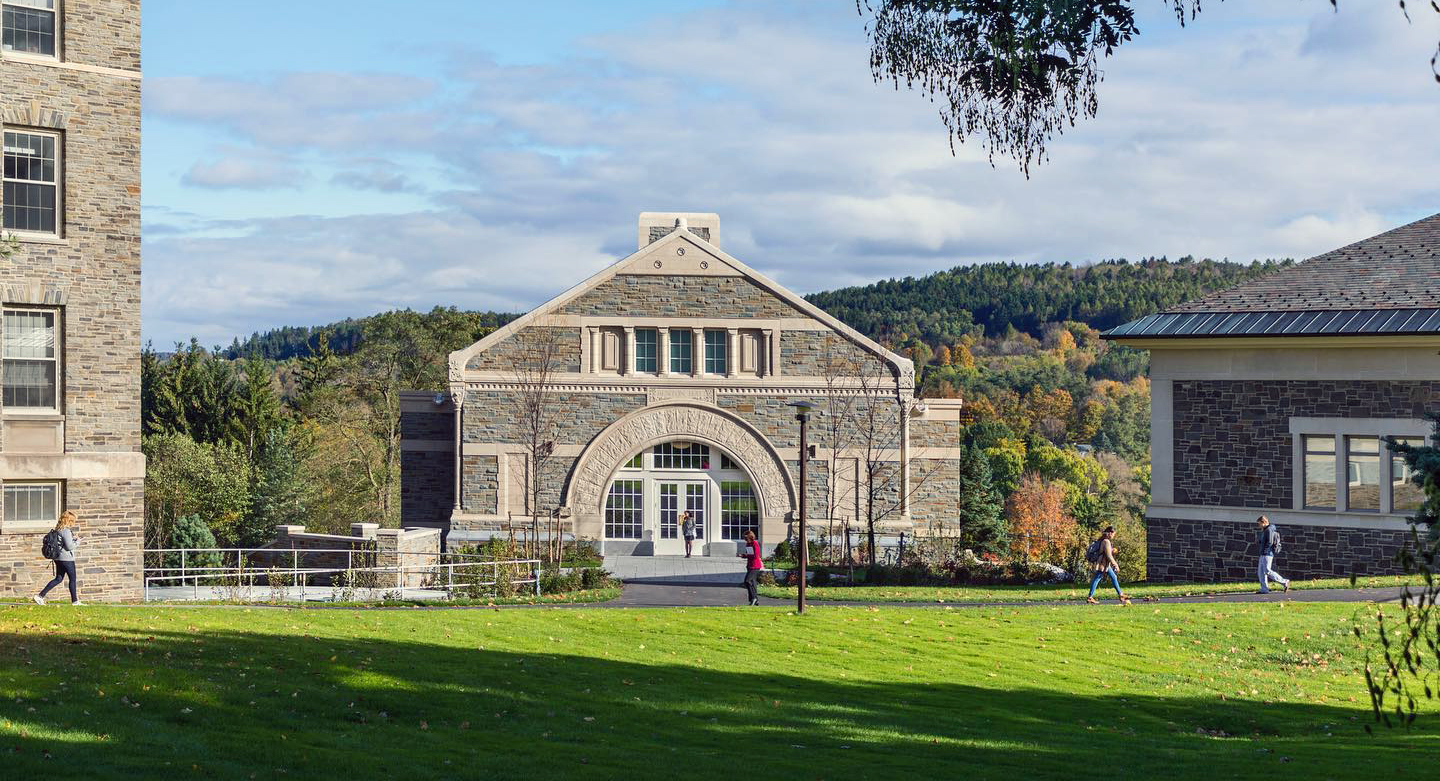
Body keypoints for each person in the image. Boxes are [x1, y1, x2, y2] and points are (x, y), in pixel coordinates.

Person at [35, 510, 83, 606]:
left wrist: (72, 539)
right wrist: (78, 541)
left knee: (58, 579)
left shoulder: (58, 529)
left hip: (58, 558)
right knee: (72, 579)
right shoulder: (66, 531)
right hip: (67, 559)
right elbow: (69, 547)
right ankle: (75, 601)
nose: (74, 523)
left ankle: (40, 596)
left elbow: (62, 542)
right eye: (73, 521)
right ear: (69, 521)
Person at [1085, 526, 1130, 605]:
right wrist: (1115, 565)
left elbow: (1106, 552)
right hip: (1102, 564)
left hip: (1105, 564)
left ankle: (1121, 595)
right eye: (1113, 534)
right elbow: (1108, 555)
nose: (1113, 536)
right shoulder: (1106, 541)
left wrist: (1113, 550)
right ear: (1109, 533)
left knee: (1113, 577)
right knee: (1097, 578)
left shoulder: (1103, 540)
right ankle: (1090, 597)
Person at [1256, 515, 1290, 594]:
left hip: (1267, 554)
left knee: (1267, 571)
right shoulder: (1265, 530)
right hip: (1263, 554)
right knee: (1261, 572)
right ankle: (1264, 589)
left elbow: (1270, 542)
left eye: (1259, 523)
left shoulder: (1269, 530)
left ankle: (1284, 582)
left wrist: (1265, 550)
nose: (1259, 525)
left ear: (1264, 522)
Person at [738, 529, 763, 606]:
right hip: (750, 565)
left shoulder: (755, 543)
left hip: (755, 566)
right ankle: (755, 600)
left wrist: (745, 555)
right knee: (753, 583)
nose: (745, 540)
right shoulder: (748, 544)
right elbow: (749, 554)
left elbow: (756, 555)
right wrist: (743, 555)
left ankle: (754, 598)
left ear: (750, 537)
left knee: (747, 581)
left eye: (746, 538)